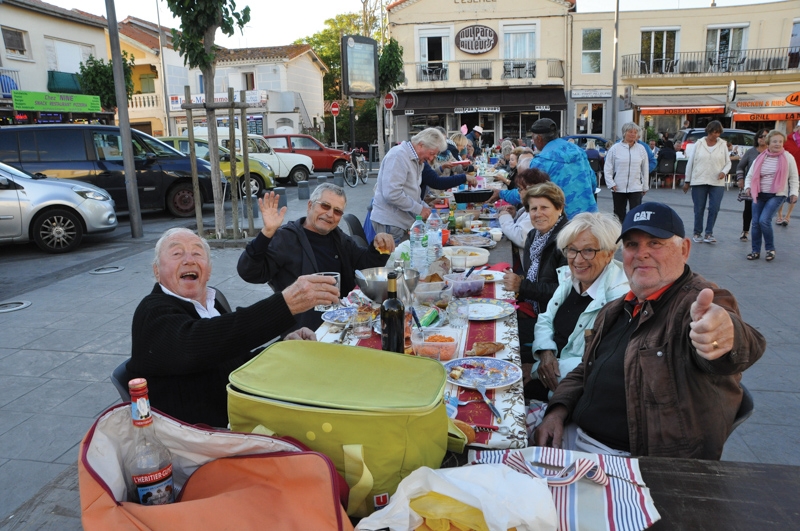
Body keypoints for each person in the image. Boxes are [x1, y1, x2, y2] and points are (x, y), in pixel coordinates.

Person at [533, 202, 766, 459]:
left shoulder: (695, 302)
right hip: (574, 434)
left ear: (684, 249)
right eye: (632, 244)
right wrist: (557, 411)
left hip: (630, 460)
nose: (641, 253)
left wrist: (723, 336)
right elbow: (585, 369)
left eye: (655, 243)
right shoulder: (619, 307)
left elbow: (742, 342)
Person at [129, 228, 340, 427]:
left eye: (197, 253)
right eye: (177, 253)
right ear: (157, 271)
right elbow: (194, 345)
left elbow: (236, 361)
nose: (189, 259)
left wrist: (282, 346)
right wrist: (285, 304)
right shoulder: (152, 310)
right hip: (200, 437)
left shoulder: (212, 303)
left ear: (209, 270)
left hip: (243, 414)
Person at [237, 184, 395, 331]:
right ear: (310, 205)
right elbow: (249, 272)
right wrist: (267, 233)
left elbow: (365, 264)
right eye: (325, 206)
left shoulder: (338, 237)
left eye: (337, 211)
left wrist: (379, 247)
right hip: (305, 329)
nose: (329, 214)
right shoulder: (286, 238)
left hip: (342, 322)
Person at [529, 212, 629, 399]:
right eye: (572, 250)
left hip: (571, 390)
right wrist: (545, 351)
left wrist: (533, 370)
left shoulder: (618, 300)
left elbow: (597, 363)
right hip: (549, 369)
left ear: (609, 254)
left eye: (589, 250)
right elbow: (546, 318)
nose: (577, 259)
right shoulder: (570, 278)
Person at [502, 182, 569, 387]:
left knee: (504, 339)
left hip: (555, 322)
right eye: (533, 209)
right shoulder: (534, 235)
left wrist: (522, 287)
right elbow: (535, 279)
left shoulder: (566, 241)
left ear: (559, 209)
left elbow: (564, 293)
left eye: (544, 207)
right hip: (535, 309)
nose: (538, 214)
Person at [370, 128, 447, 242]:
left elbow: (412, 194)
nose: (431, 159)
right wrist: (420, 209)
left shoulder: (417, 160)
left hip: (400, 223)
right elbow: (392, 194)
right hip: (391, 224)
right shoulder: (398, 156)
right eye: (431, 154)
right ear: (421, 145)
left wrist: (426, 209)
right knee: (397, 259)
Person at [524, 118, 598, 219]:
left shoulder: (540, 161)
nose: (533, 141)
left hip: (563, 222)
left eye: (533, 138)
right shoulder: (579, 151)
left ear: (539, 138)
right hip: (589, 217)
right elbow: (593, 182)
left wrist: (502, 193)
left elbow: (529, 194)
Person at [743, 130, 799, 262]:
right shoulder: (761, 157)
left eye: (780, 141)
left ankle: (770, 249)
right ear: (768, 143)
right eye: (774, 141)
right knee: (756, 223)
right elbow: (750, 175)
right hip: (759, 193)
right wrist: (748, 187)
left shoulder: (788, 157)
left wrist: (794, 193)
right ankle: (755, 251)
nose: (777, 144)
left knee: (764, 220)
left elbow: (794, 178)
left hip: (777, 194)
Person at [682, 120, 731, 244]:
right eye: (714, 132)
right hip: (699, 180)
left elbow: (728, 162)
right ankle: (697, 232)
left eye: (718, 133)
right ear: (708, 131)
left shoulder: (723, 144)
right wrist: (687, 181)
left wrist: (724, 172)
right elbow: (691, 162)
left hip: (717, 182)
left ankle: (709, 233)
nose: (716, 135)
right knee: (699, 208)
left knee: (714, 208)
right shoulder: (698, 144)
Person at [496, 167, 551, 271]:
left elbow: (521, 237)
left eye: (520, 189)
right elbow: (524, 224)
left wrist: (505, 217)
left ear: (532, 189)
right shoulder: (531, 206)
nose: (518, 192)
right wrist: (515, 215)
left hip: (525, 267)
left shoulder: (538, 212)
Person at [604, 122, 649, 222]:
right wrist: (611, 183)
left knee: (636, 213)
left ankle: (633, 233)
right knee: (619, 214)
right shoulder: (615, 149)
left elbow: (645, 168)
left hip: (636, 187)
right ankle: (619, 233)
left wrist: (645, 185)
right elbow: (608, 167)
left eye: (635, 132)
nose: (633, 134)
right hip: (618, 187)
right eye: (630, 132)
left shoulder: (641, 149)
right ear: (624, 133)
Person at [735, 128, 769, 241]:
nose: (762, 139)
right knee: (749, 209)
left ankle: (761, 232)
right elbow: (740, 166)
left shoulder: (772, 152)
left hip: (767, 186)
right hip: (752, 185)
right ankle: (745, 231)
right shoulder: (751, 152)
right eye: (760, 136)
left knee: (764, 212)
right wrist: (741, 180)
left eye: (765, 136)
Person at [775, 121, 800, 226]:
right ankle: (779, 215)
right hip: (786, 169)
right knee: (782, 192)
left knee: (794, 193)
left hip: (798, 171)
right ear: (797, 128)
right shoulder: (788, 140)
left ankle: (788, 216)